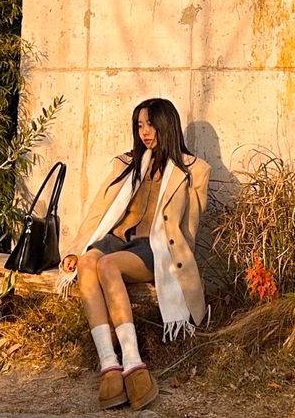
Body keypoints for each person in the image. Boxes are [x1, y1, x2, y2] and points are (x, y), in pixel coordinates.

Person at [57, 98, 211, 412]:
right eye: (140, 125)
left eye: (151, 124)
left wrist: (180, 266)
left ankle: (132, 361)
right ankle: (109, 364)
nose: (145, 132)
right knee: (87, 263)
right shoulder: (126, 164)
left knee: (108, 266)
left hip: (154, 247)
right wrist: (75, 249)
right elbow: (99, 210)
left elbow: (189, 228)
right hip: (116, 238)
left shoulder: (193, 170)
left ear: (167, 125)